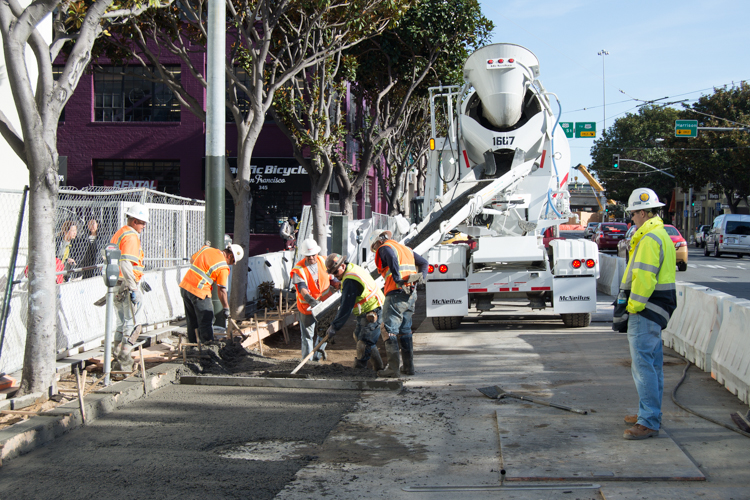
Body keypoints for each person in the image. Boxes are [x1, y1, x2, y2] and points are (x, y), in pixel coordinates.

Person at [618, 188, 677, 440]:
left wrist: (632, 307)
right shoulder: (661, 235)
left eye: (633, 214)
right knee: (653, 367)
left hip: (646, 309)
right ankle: (649, 412)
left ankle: (648, 421)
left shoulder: (649, 239)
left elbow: (644, 277)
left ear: (643, 213)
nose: (632, 218)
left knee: (643, 368)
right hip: (658, 309)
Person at [370, 229, 428, 377]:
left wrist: (396, 278)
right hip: (410, 293)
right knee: (405, 330)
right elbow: (424, 263)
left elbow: (389, 256)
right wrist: (422, 278)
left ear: (379, 241)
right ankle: (409, 367)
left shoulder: (385, 248)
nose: (376, 251)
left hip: (395, 293)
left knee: (389, 330)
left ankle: (393, 369)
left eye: (375, 247)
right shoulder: (406, 249)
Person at [324, 253, 385, 371]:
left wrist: (334, 326)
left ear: (342, 266)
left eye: (336, 272)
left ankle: (359, 371)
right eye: (332, 274)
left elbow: (346, 307)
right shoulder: (351, 268)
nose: (335, 276)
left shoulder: (350, 280)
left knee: (364, 343)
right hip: (367, 310)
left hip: (373, 309)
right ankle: (379, 368)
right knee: (358, 336)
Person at [179, 243, 244, 344]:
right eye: (232, 261)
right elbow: (222, 290)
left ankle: (193, 346)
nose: (231, 264)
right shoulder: (223, 267)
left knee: (192, 321)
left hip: (185, 287)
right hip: (200, 291)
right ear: (230, 256)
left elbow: (192, 260)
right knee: (206, 320)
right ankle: (208, 347)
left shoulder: (206, 249)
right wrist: (226, 308)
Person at [110, 204, 148, 370]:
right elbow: (126, 263)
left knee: (121, 323)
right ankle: (124, 360)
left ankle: (117, 355)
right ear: (134, 221)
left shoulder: (121, 232)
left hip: (117, 284)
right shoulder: (131, 237)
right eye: (142, 222)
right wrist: (133, 288)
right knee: (133, 324)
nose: (144, 226)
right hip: (126, 284)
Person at [290, 238, 334, 362]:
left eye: (313, 255)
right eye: (308, 256)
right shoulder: (299, 269)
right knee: (307, 336)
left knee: (325, 333)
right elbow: (301, 288)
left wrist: (338, 285)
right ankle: (307, 362)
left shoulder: (323, 260)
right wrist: (311, 301)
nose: (311, 258)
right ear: (304, 255)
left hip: (325, 306)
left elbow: (332, 278)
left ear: (317, 253)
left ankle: (316, 359)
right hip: (307, 308)